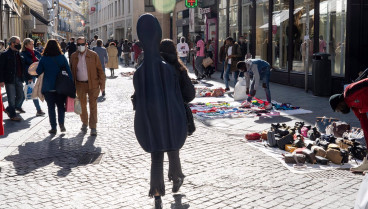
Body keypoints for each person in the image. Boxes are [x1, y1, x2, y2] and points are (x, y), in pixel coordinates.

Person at [132, 14, 190, 209]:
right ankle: (177, 178)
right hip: (171, 119)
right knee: (173, 149)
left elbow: (137, 98)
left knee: (156, 157)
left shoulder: (140, 71)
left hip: (150, 121)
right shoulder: (170, 69)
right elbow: (185, 95)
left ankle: (156, 192)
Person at [329, 78, 368, 173]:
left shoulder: (350, 91)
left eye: (338, 109)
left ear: (340, 102)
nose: (339, 111)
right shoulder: (353, 106)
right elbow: (363, 122)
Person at [70, 37, 106, 136]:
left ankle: (93, 127)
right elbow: (71, 71)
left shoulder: (93, 55)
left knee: (93, 106)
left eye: (82, 44)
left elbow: (100, 70)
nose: (81, 46)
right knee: (82, 105)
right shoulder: (73, 56)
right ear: (77, 45)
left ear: (86, 44)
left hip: (93, 84)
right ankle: (84, 123)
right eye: (79, 44)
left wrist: (102, 85)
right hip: (80, 84)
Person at [35, 39, 73, 134]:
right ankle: (61, 124)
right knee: (61, 106)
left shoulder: (44, 58)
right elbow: (69, 71)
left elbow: (38, 71)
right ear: (58, 46)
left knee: (51, 108)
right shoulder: (62, 57)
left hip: (48, 87)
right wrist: (71, 84)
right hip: (61, 86)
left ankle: (53, 127)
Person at [0, 36, 31, 121]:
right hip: (9, 79)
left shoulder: (19, 54)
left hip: (19, 78)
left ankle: (9, 109)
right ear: (12, 43)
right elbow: (1, 68)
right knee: (11, 98)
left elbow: (23, 67)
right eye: (18, 43)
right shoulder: (4, 54)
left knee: (21, 96)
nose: (19, 45)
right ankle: (12, 115)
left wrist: (28, 77)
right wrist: (1, 80)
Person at [20, 38, 45, 116]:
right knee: (33, 91)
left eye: (33, 44)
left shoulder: (35, 52)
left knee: (28, 90)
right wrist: (28, 76)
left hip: (35, 75)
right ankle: (38, 109)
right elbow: (24, 67)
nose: (32, 45)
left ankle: (17, 106)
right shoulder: (23, 53)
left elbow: (40, 60)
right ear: (26, 45)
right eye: (30, 44)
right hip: (29, 75)